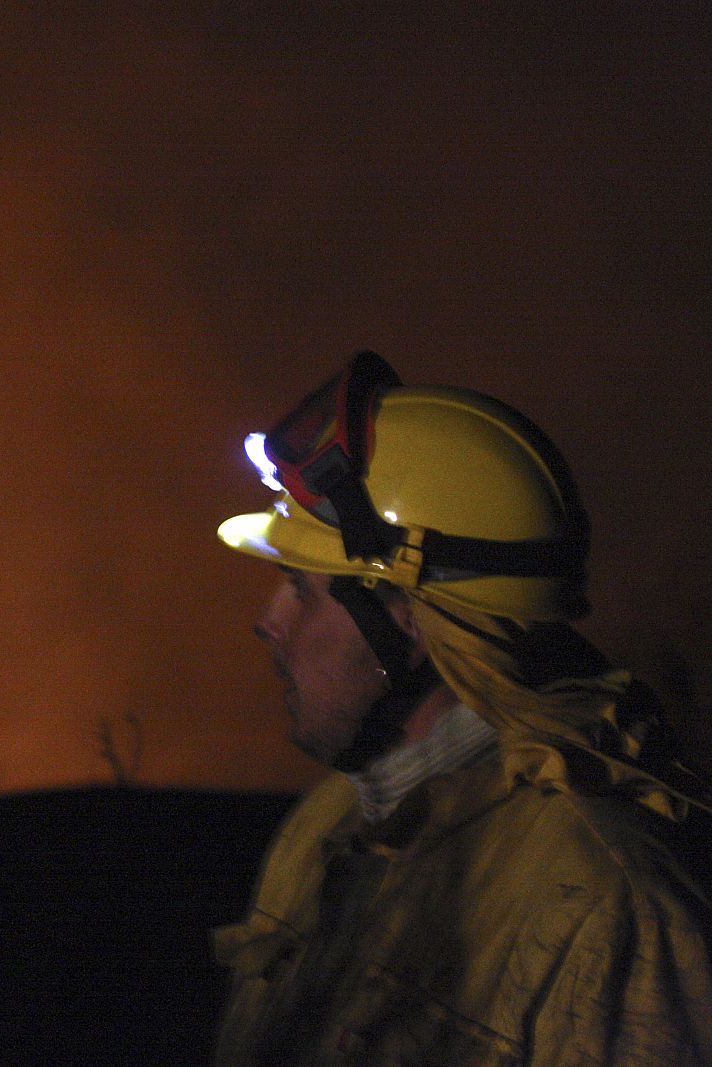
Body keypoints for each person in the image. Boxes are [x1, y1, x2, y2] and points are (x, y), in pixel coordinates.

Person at [211, 352, 712, 1066]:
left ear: (411, 622)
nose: (268, 621)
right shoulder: (323, 830)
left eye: (300, 588)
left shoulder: (611, 908)